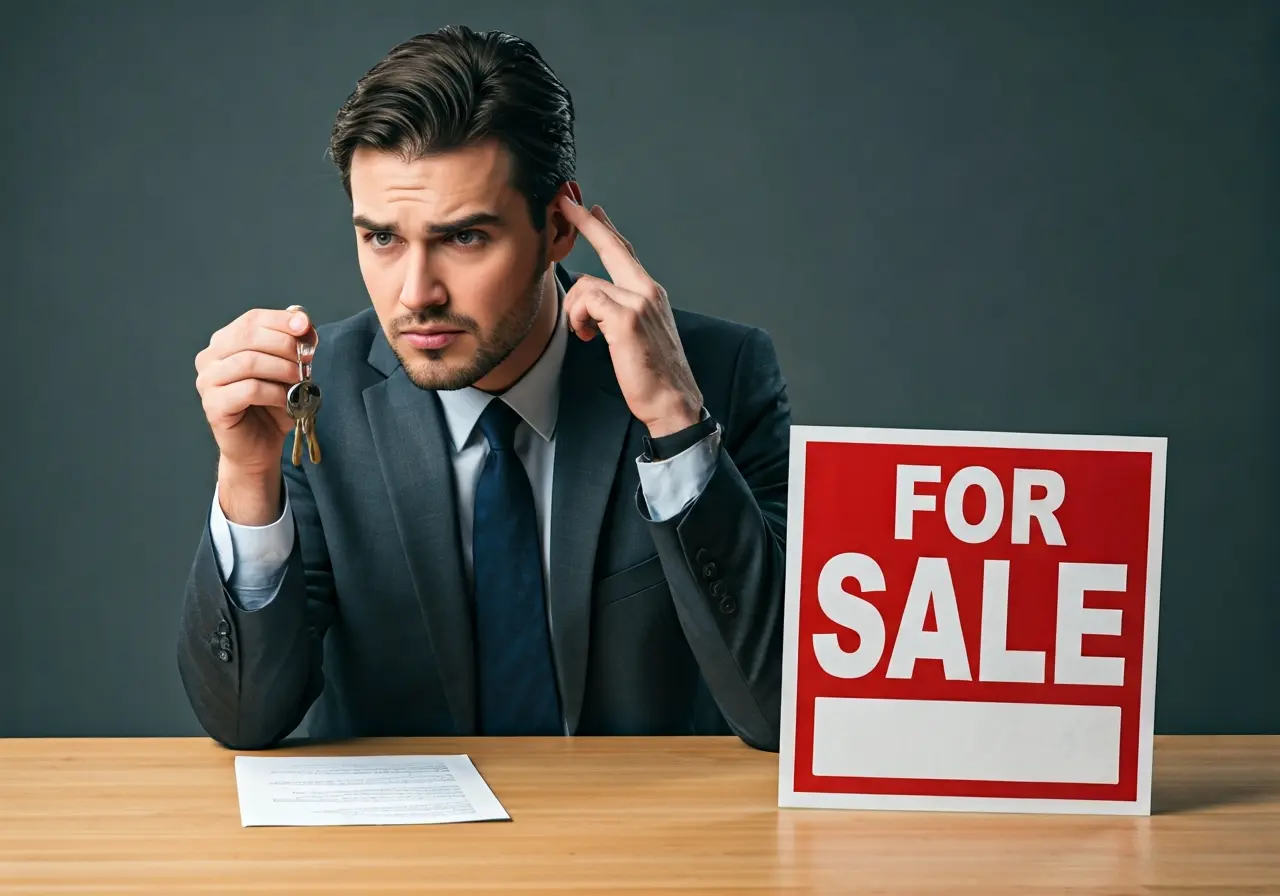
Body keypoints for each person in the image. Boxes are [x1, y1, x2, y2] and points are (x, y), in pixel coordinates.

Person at [178, 24, 790, 752]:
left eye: (464, 237)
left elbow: (779, 711)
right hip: (401, 855)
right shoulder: (319, 395)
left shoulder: (717, 376)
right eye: (382, 238)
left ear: (559, 228)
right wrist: (247, 478)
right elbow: (246, 720)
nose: (416, 294)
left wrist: (677, 427)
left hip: (638, 847)